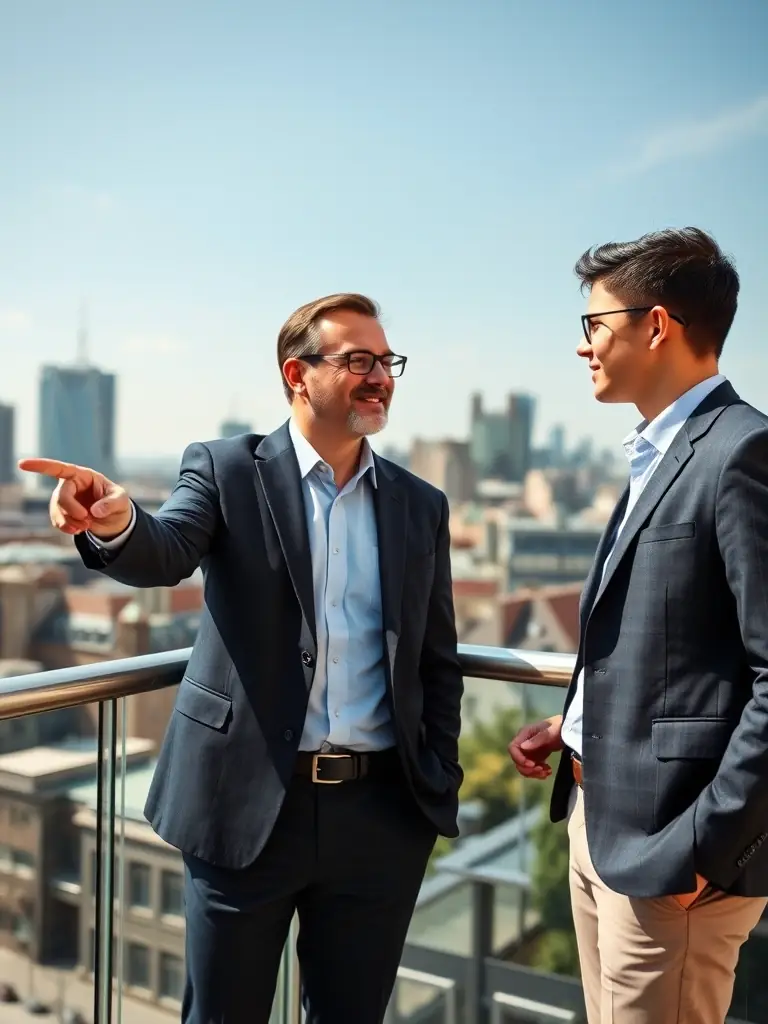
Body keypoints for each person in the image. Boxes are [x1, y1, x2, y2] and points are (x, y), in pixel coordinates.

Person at [20, 293, 464, 1024]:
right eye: (358, 360)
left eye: (387, 361)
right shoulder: (229, 469)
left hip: (380, 816)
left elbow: (436, 658)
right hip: (247, 808)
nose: (380, 376)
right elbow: (165, 549)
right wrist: (117, 520)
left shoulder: (420, 505)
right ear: (297, 373)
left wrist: (433, 780)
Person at [508, 228, 768, 1024]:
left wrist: (705, 847)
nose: (583, 347)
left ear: (656, 325)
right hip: (602, 818)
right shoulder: (663, 449)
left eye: (595, 325)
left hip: (671, 851)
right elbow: (679, 639)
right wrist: (581, 724)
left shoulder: (742, 452)